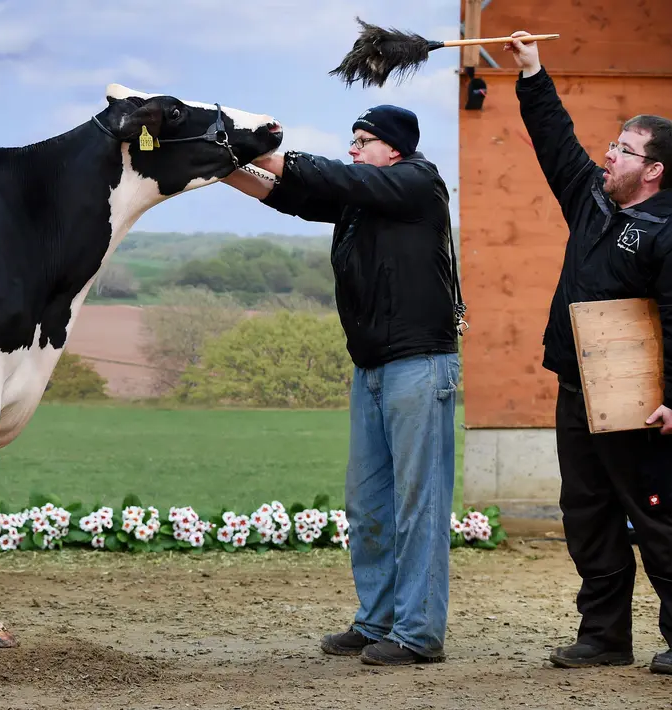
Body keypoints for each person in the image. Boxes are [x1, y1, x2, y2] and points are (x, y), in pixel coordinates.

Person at [222, 104, 463, 666]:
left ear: (394, 150)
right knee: (368, 502)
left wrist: (269, 151)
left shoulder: (418, 182)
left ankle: (418, 634)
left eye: (362, 140)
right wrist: (222, 164)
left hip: (420, 366)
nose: (353, 149)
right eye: (351, 141)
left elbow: (328, 175)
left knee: (417, 502)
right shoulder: (363, 200)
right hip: (373, 367)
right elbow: (288, 194)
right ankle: (378, 621)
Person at [504, 30, 672, 676]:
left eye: (624, 150)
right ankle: (603, 635)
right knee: (586, 512)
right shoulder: (590, 201)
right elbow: (554, 140)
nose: (608, 155)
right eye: (612, 145)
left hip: (641, 398)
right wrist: (530, 74)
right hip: (578, 386)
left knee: (656, 517)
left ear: (653, 169)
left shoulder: (670, 231)